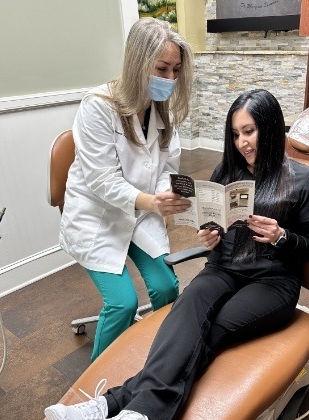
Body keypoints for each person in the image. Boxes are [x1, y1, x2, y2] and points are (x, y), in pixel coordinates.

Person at [45, 89, 309, 420]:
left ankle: (117, 408)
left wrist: (281, 236)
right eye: (235, 134)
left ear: (270, 126)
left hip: (272, 282)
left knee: (204, 334)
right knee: (186, 317)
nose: (242, 143)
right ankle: (128, 414)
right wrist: (211, 237)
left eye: (249, 131)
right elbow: (217, 224)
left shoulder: (303, 179)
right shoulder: (228, 169)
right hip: (224, 268)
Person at [59, 18, 194, 362]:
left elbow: (168, 168)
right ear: (137, 62)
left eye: (176, 70)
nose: (170, 80)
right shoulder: (97, 106)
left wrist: (168, 195)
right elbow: (102, 180)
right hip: (97, 218)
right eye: (162, 69)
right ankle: (91, 392)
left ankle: (157, 357)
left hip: (141, 214)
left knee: (166, 287)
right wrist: (153, 202)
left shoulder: (163, 112)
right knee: (123, 303)